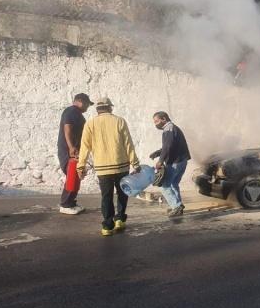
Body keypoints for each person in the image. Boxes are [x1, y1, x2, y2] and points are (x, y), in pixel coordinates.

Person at [77, 97, 141, 236]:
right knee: (122, 193)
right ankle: (120, 219)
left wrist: (80, 167)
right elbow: (128, 144)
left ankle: (107, 226)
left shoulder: (90, 123)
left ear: (98, 109)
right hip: (121, 166)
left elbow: (84, 147)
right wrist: (135, 163)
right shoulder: (119, 121)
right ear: (110, 108)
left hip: (102, 168)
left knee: (106, 196)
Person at [57, 93, 93, 215]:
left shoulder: (77, 114)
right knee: (72, 174)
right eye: (88, 104)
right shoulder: (71, 111)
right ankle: (65, 204)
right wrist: (71, 147)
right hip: (69, 151)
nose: (88, 107)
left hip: (76, 150)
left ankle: (71, 202)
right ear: (81, 101)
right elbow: (67, 129)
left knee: (77, 174)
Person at [150, 112, 191, 217]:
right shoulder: (173, 128)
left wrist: (160, 160)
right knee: (173, 184)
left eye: (156, 121)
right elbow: (170, 146)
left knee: (165, 186)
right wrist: (158, 152)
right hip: (182, 161)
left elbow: (168, 146)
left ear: (164, 119)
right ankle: (178, 205)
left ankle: (176, 207)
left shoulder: (168, 129)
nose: (155, 124)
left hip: (175, 162)